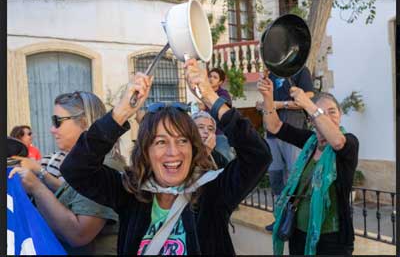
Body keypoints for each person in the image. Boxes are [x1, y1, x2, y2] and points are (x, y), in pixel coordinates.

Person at [59, 59, 271, 255]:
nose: (173, 152)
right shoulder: (130, 193)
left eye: (182, 141)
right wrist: (121, 112)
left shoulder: (213, 193)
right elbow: (76, 169)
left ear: (193, 147)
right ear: (146, 152)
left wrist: (209, 96)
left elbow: (258, 155)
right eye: (160, 142)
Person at [9, 91, 125, 255]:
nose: (52, 129)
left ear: (84, 123)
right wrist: (38, 171)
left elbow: (79, 234)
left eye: (57, 121)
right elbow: (75, 197)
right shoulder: (87, 164)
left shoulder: (106, 166)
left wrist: (37, 187)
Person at [257, 73, 359, 255]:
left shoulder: (348, 142)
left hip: (332, 240)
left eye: (332, 112)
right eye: (320, 113)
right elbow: (274, 127)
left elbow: (337, 143)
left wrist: (309, 104)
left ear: (340, 115)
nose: (326, 117)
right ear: (311, 120)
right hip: (299, 235)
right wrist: (268, 97)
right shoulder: (309, 142)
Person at [257, 66, 314, 232]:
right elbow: (269, 103)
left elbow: (308, 97)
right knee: (275, 179)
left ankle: (296, 222)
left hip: (293, 132)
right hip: (272, 135)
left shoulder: (300, 70)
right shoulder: (271, 74)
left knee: (293, 177)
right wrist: (264, 104)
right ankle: (280, 219)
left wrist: (278, 104)